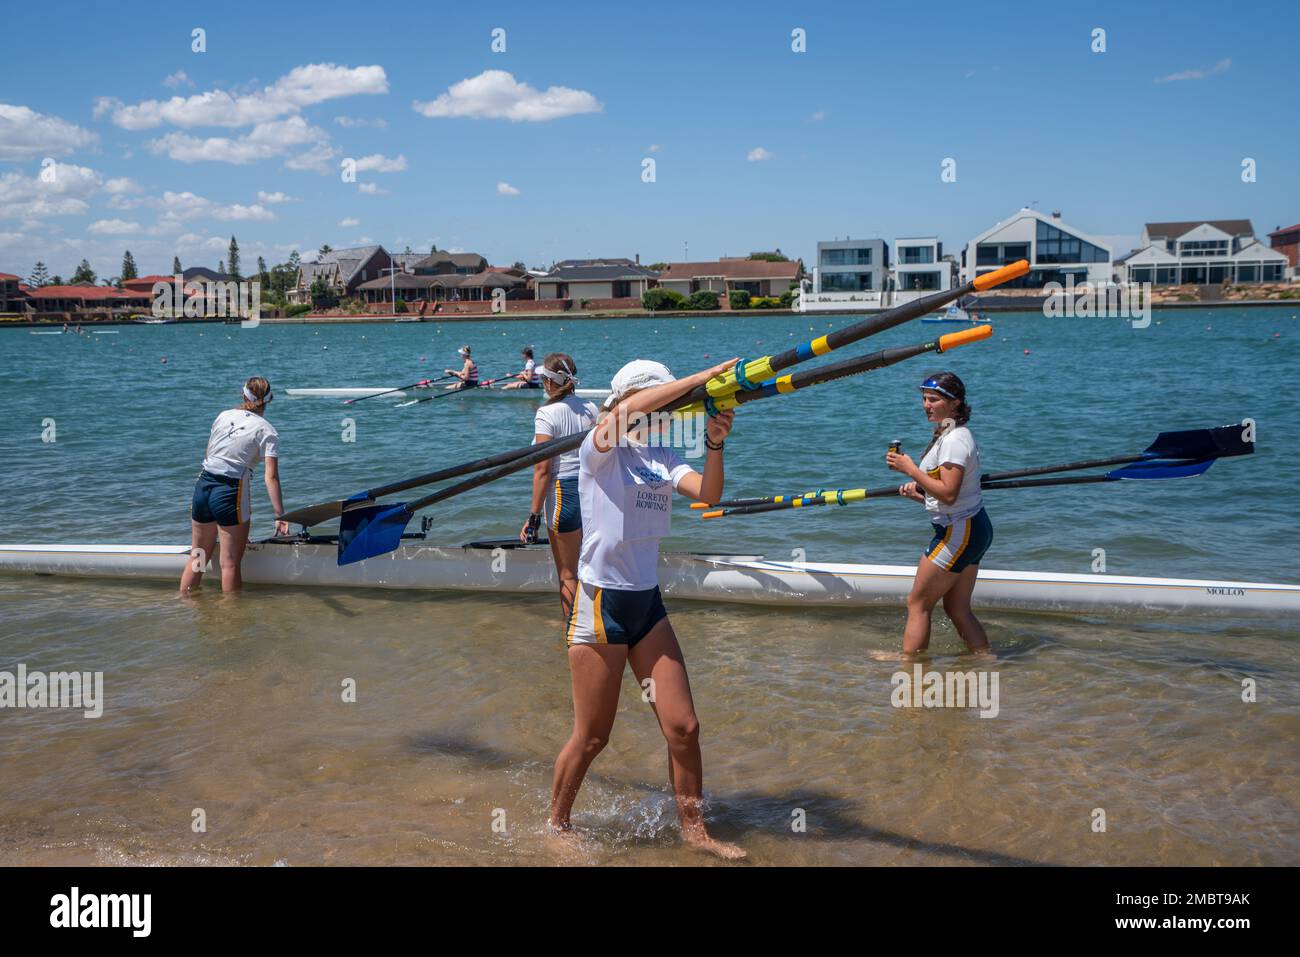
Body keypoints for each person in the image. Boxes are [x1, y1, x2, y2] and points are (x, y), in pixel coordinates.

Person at [549, 357, 745, 860]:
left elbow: (710, 494)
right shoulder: (599, 447)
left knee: (684, 728)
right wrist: (701, 380)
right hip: (601, 605)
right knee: (593, 738)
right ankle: (557, 826)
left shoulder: (659, 454)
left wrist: (715, 442)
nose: (673, 412)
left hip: (646, 604)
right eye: (665, 401)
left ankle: (694, 831)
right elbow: (627, 410)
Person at [886, 372, 993, 654]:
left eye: (933, 399)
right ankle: (984, 658)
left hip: (960, 531)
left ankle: (910, 667)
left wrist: (910, 469)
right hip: (972, 527)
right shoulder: (949, 434)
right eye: (924, 399)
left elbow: (948, 493)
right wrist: (919, 497)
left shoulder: (955, 440)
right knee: (956, 607)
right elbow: (946, 498)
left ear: (955, 403)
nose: (926, 405)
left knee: (918, 604)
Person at [179, 377, 288, 596]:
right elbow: (271, 477)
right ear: (270, 400)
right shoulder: (268, 431)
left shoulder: (223, 416)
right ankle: (232, 618)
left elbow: (209, 454)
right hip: (230, 492)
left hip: (204, 485)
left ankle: (187, 600)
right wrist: (280, 515)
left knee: (199, 554)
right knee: (229, 563)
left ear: (243, 395)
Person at [520, 354, 598, 618]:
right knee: (589, 569)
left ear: (551, 383)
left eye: (543, 379)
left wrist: (533, 518)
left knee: (567, 575)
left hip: (563, 494)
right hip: (592, 492)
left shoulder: (546, 413)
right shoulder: (592, 408)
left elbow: (542, 468)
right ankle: (595, 626)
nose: (542, 383)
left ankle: (573, 638)